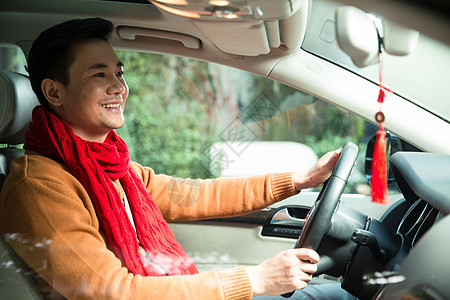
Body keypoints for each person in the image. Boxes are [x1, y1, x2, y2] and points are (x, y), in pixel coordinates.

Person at [0, 18, 355, 299]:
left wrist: (298, 180)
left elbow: (195, 194)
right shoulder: (38, 185)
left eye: (119, 73)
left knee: (335, 295)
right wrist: (255, 279)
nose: (119, 88)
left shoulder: (108, 164)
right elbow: (110, 292)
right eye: (99, 75)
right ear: (54, 92)